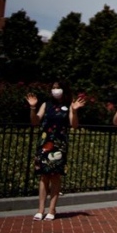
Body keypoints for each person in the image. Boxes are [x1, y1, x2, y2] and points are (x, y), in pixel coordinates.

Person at [26, 82, 85, 221]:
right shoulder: (46, 105)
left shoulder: (69, 105)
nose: (55, 90)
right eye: (53, 88)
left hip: (59, 144)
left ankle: (52, 208)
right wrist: (32, 108)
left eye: (58, 88)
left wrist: (75, 111)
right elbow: (35, 121)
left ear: (64, 90)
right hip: (45, 143)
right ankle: (40, 209)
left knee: (55, 176)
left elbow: (74, 125)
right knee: (43, 176)